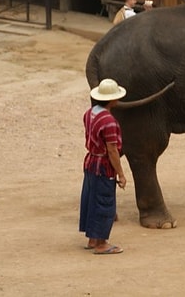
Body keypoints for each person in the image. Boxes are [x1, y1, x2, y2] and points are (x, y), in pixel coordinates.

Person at [79, 79, 128, 254]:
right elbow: (112, 150)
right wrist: (121, 174)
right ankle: (101, 244)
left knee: (91, 200)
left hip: (90, 162)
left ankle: (93, 238)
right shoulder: (109, 121)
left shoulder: (89, 113)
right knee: (104, 202)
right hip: (103, 166)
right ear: (113, 100)